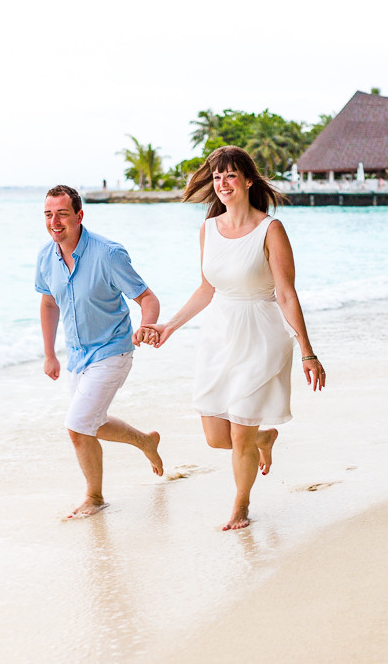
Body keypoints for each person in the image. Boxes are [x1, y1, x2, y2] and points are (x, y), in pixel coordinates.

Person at [143, 146, 326, 531]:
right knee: (216, 437)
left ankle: (240, 506)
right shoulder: (208, 229)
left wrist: (307, 351)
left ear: (247, 180)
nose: (222, 183)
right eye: (216, 177)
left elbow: (286, 293)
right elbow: (207, 288)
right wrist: (169, 327)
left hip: (260, 334)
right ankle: (264, 438)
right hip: (218, 336)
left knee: (239, 431)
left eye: (230, 175)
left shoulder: (270, 229)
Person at [35, 184, 164, 518]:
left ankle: (94, 497)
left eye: (62, 213)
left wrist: (147, 325)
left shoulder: (108, 254)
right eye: (49, 214)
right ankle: (145, 442)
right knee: (92, 423)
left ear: (79, 215)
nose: (55, 222)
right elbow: (49, 303)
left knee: (78, 427)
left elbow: (147, 298)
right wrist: (50, 353)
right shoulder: (46, 257)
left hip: (113, 351)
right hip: (77, 356)